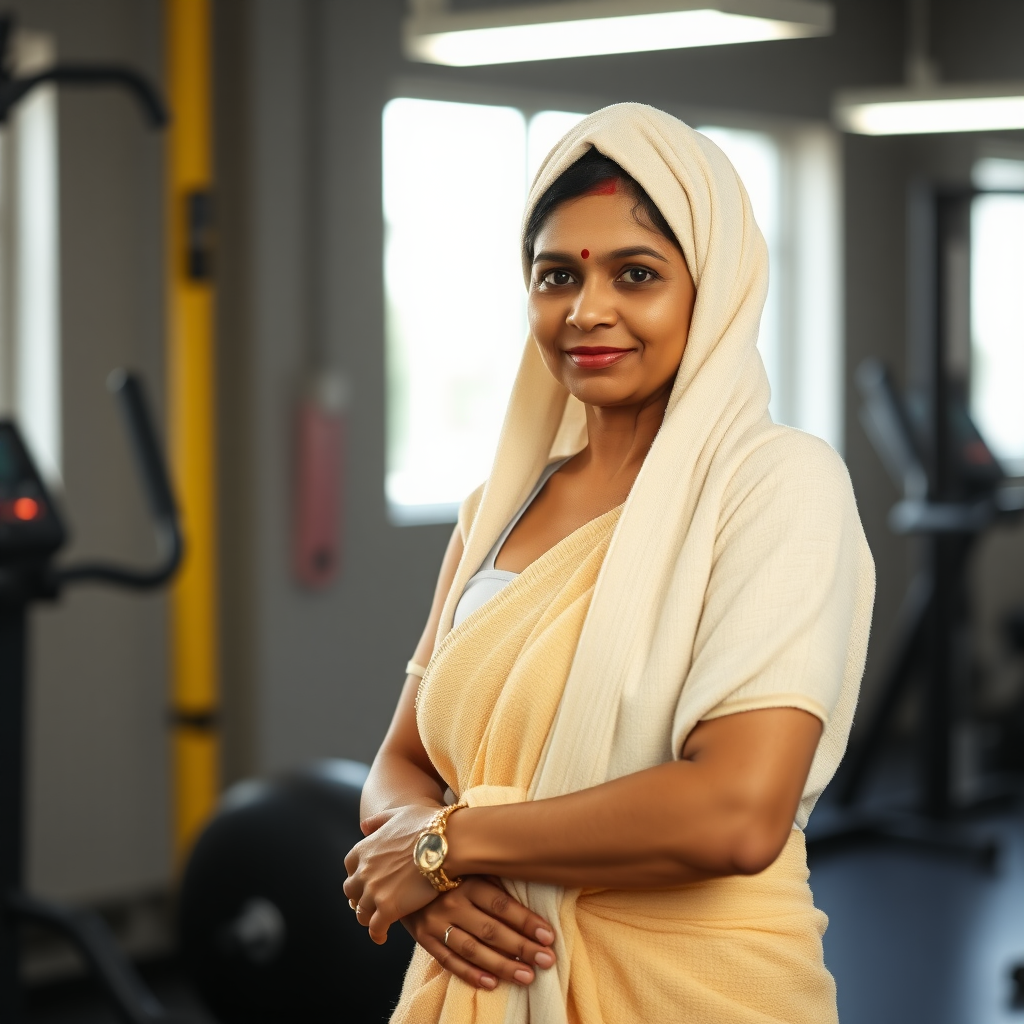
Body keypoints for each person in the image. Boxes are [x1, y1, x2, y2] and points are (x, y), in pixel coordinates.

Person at [344, 102, 874, 1024]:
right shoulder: (495, 510)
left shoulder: (779, 486)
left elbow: (737, 811)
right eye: (556, 277)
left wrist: (446, 846)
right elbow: (401, 762)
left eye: (637, 274)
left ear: (710, 289)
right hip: (485, 980)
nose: (588, 311)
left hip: (698, 990)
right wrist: (432, 867)